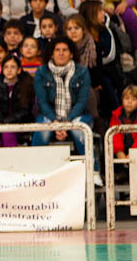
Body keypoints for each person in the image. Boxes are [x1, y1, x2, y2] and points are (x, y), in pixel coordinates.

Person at [32, 36, 101, 184]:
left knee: (79, 130)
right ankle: (36, 173)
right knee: (42, 131)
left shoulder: (82, 71)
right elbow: (43, 102)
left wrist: (67, 123)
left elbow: (82, 101)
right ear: (51, 54)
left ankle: (94, 172)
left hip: (77, 114)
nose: (61, 53)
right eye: (57, 50)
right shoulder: (41, 72)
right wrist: (56, 122)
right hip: (50, 115)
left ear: (71, 54)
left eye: (65, 50)